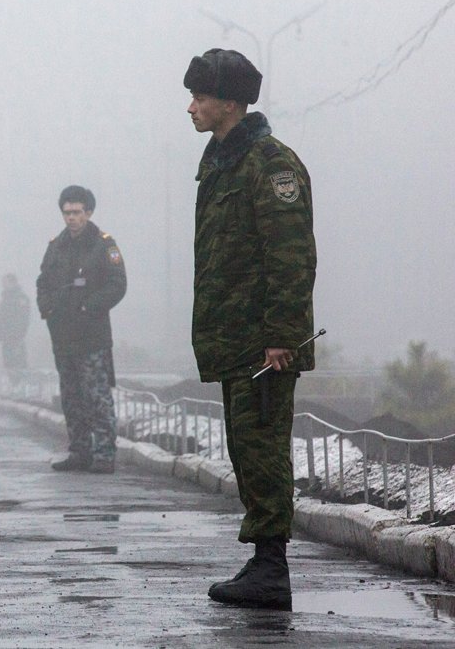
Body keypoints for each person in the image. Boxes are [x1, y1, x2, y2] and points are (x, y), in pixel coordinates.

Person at [184, 48, 316, 610]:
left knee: (262, 448)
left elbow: (290, 257)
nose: (191, 108)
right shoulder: (220, 163)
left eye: (201, 97)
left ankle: (271, 568)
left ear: (231, 104)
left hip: (265, 342)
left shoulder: (270, 165)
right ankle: (264, 561)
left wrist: (282, 336)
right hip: (235, 337)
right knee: (245, 447)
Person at [36, 185, 126, 474]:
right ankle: (79, 451)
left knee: (96, 396)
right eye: (66, 212)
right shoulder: (56, 246)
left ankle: (103, 453)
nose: (71, 218)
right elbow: (44, 282)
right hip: (63, 335)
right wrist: (47, 309)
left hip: (92, 336)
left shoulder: (104, 245)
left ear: (88, 212)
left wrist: (89, 307)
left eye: (76, 212)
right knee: (71, 396)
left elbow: (117, 284)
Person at [0, 273, 31, 385]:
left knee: (18, 361)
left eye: (6, 282)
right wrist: (0, 333)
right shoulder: (5, 298)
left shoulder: (20, 298)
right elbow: (1, 317)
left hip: (16, 335)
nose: (3, 285)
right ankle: (13, 384)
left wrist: (20, 333)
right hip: (6, 336)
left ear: (13, 282)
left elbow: (24, 317)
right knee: (8, 361)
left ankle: (21, 384)